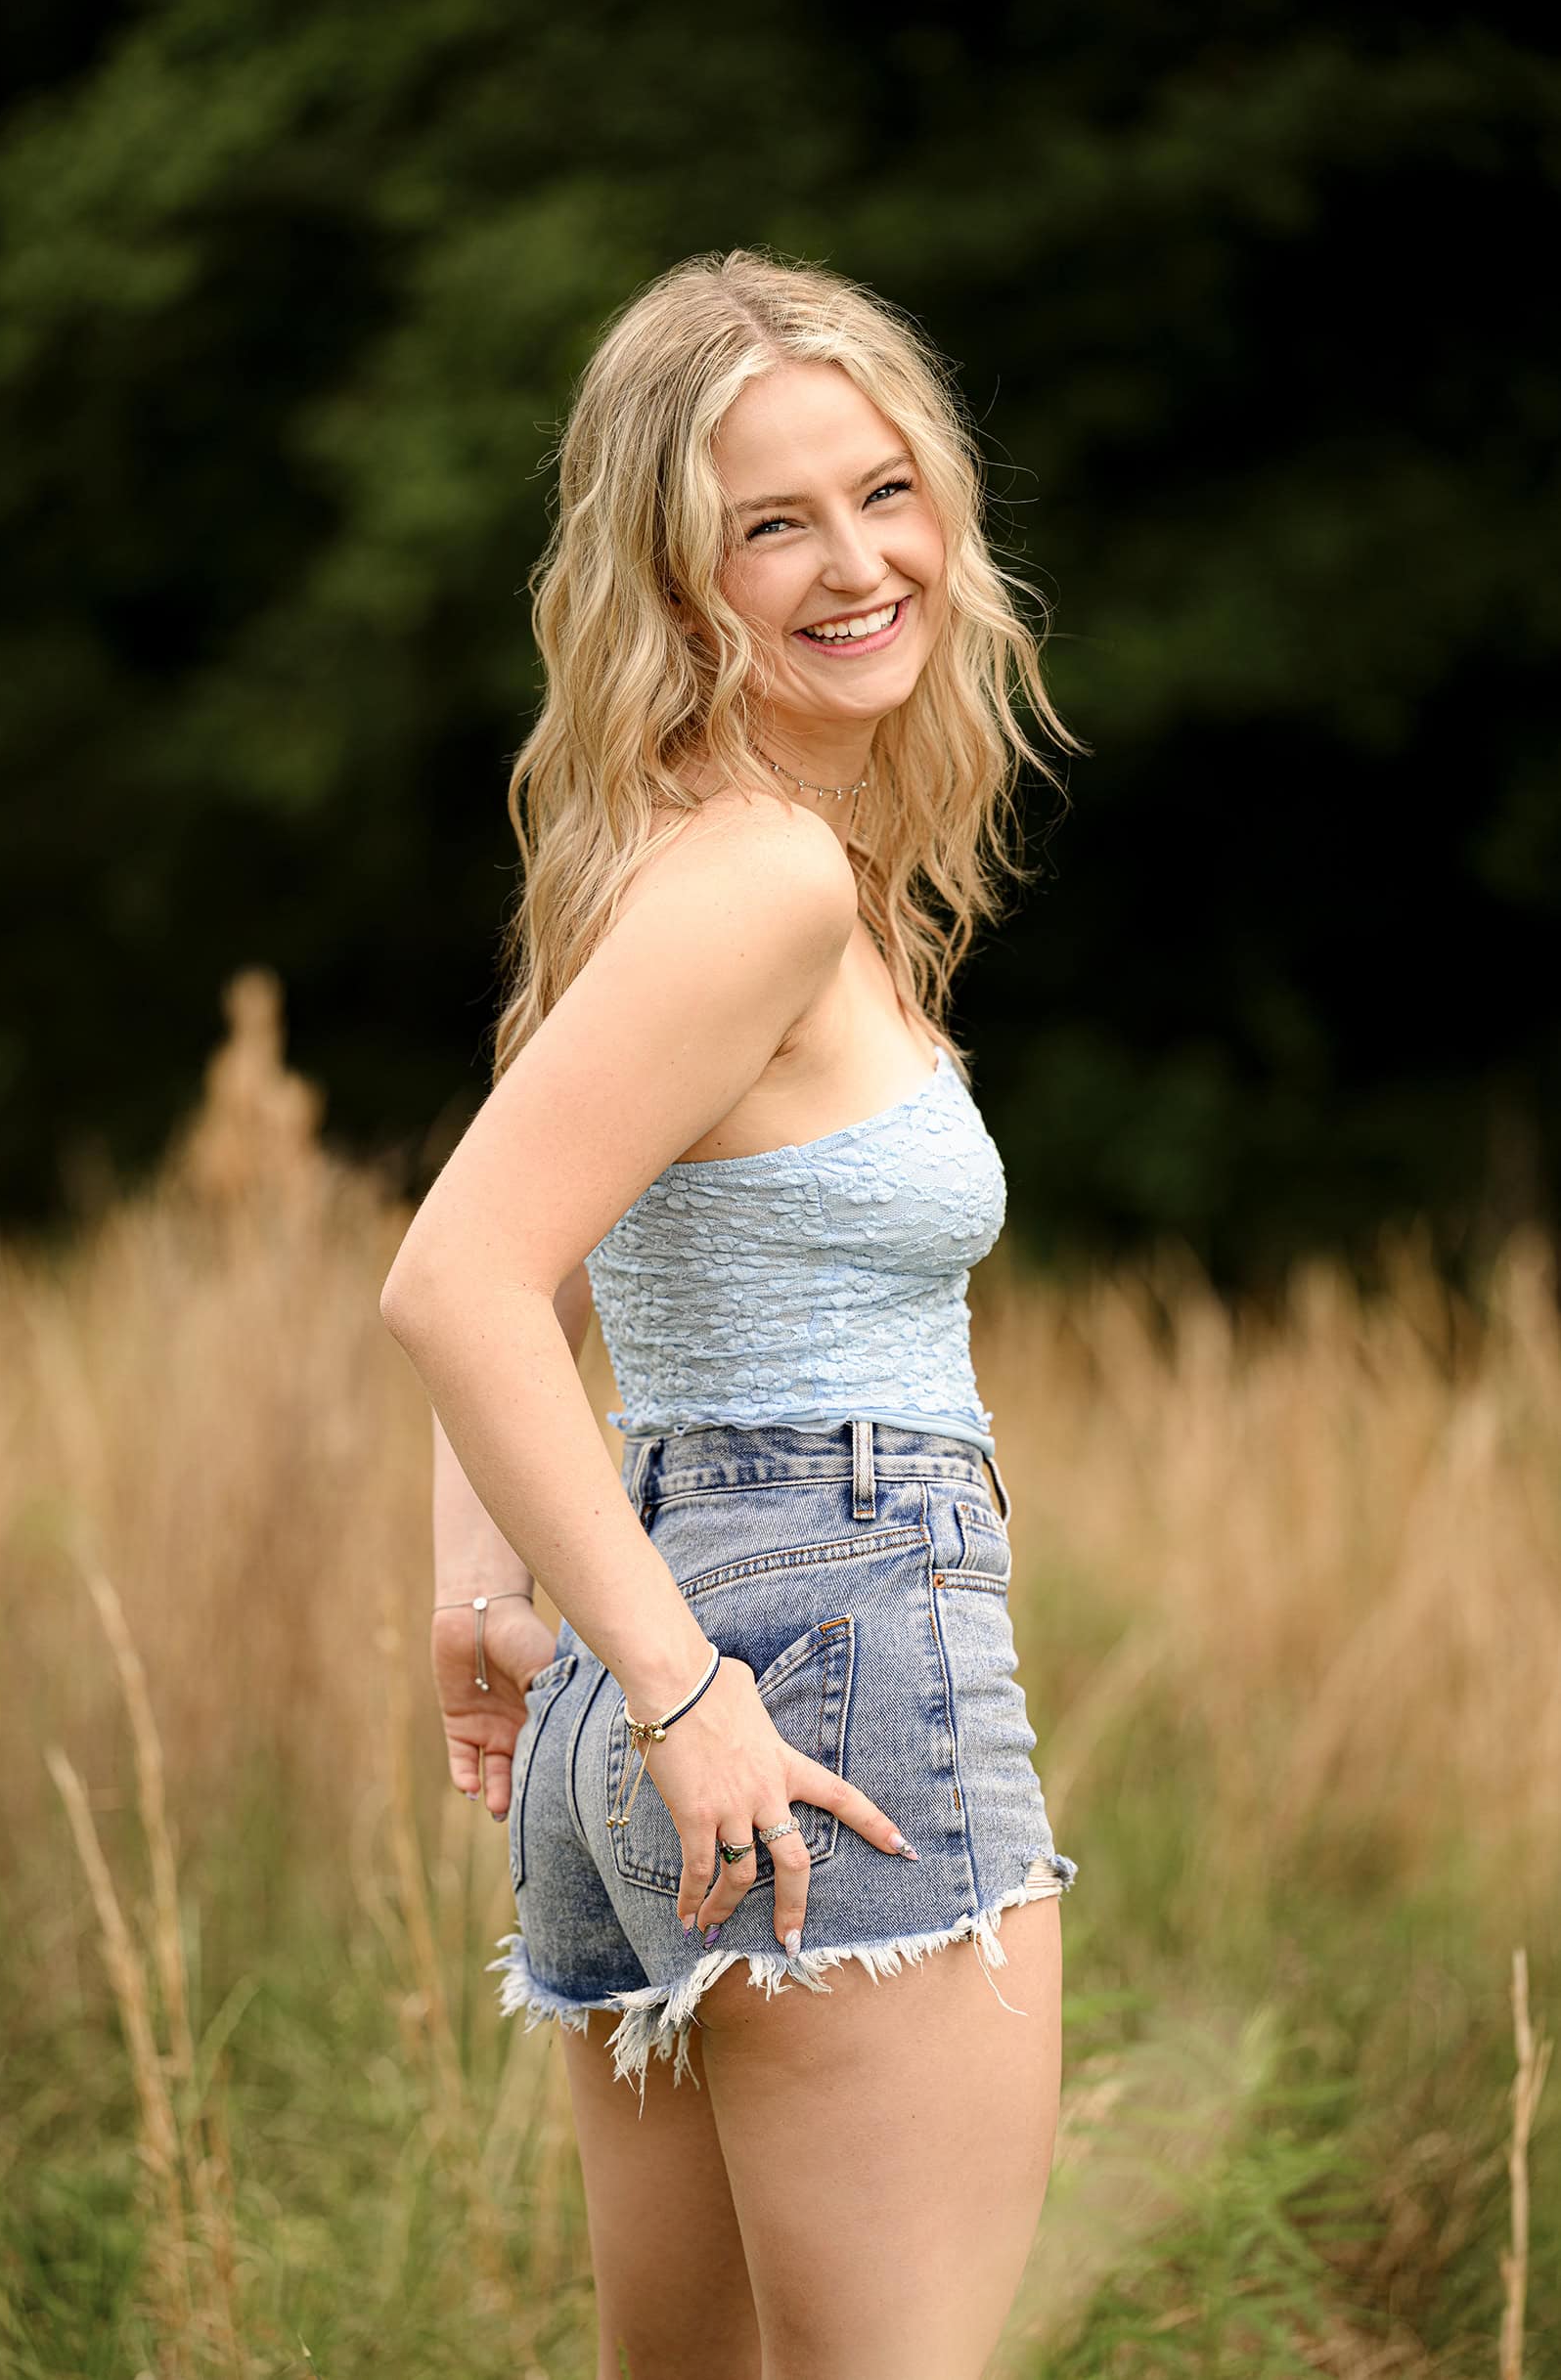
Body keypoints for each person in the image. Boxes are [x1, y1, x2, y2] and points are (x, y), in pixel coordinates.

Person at [380, 245, 1083, 2380]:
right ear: (677, 582)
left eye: (884, 490)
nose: (857, 559)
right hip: (816, 1667)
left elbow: (539, 1225)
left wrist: (493, 1598)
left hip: (664, 1659)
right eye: (771, 522)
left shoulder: (663, 853)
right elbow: (460, 1274)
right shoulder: (760, 876)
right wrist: (685, 1697)